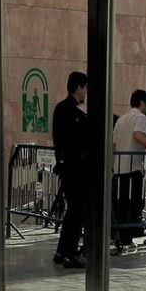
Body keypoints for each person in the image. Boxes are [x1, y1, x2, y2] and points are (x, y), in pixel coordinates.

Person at [51, 71, 89, 268]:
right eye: (85, 89)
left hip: (65, 169)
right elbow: (81, 142)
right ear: (78, 88)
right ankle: (71, 254)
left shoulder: (59, 109)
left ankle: (61, 251)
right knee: (76, 212)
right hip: (76, 171)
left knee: (71, 211)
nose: (86, 94)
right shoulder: (76, 113)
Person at [109, 89, 146, 254]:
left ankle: (119, 238)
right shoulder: (140, 118)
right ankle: (126, 239)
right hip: (133, 168)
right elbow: (137, 135)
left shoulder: (121, 119)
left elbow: (114, 145)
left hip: (120, 168)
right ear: (142, 103)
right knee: (132, 205)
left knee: (120, 205)